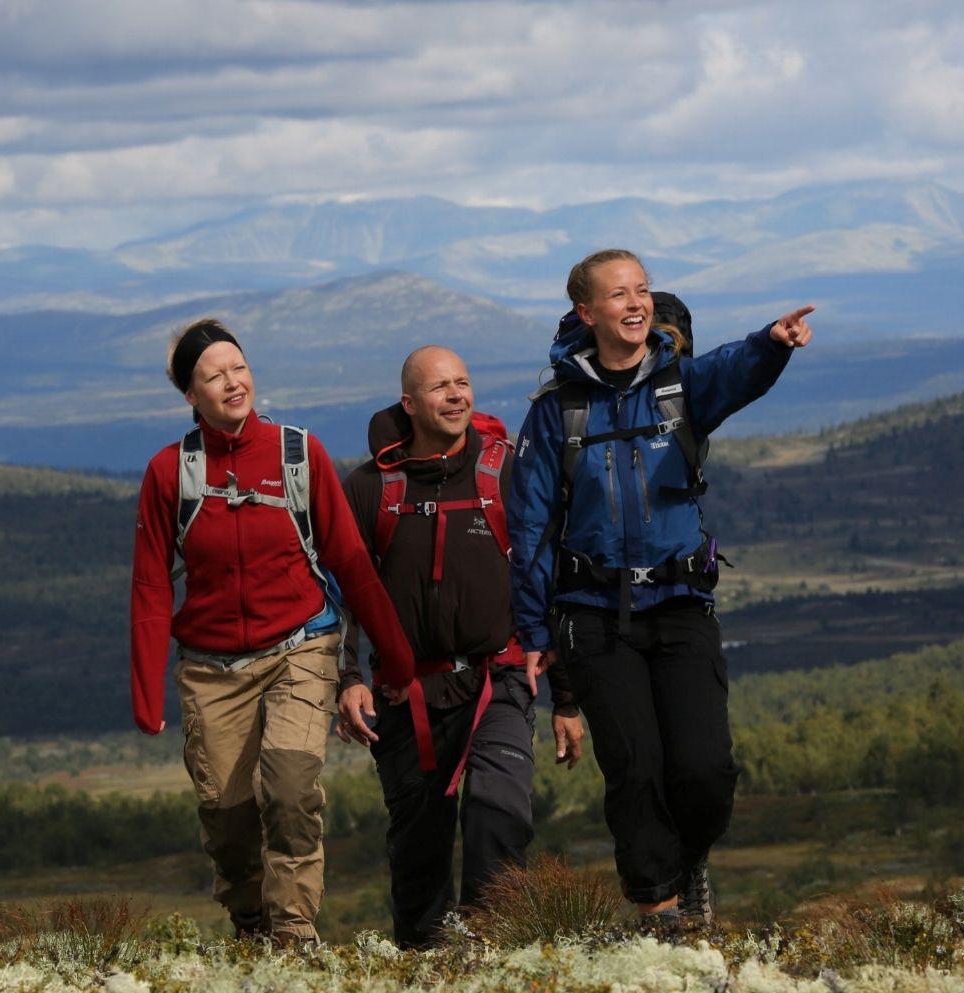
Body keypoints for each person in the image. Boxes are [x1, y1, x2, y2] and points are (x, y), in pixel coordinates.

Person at [507, 250, 815, 928]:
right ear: (588, 313)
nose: (636, 303)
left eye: (642, 290)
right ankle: (660, 910)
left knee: (704, 771)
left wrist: (772, 344)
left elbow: (736, 371)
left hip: (680, 606)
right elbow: (529, 528)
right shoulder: (558, 410)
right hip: (594, 615)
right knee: (635, 767)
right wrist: (532, 633)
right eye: (619, 294)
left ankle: (686, 859)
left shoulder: (679, 385)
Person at [129, 318, 417, 948]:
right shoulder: (168, 473)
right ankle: (250, 921)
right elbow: (151, 588)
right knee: (227, 820)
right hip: (210, 667)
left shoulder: (298, 453)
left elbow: (350, 563)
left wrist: (394, 659)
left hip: (301, 648)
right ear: (191, 396)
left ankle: (293, 934)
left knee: (290, 794)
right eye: (214, 375)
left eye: (238, 367)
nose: (233, 382)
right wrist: (146, 694)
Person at [335, 345, 587, 949]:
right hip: (406, 694)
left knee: (498, 816)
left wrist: (567, 698)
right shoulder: (370, 488)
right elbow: (342, 592)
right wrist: (347, 679)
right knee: (418, 846)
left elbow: (550, 577)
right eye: (440, 388)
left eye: (463, 383)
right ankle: (426, 965)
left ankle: (495, 953)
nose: (456, 396)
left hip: (498, 679)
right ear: (409, 404)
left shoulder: (507, 471)